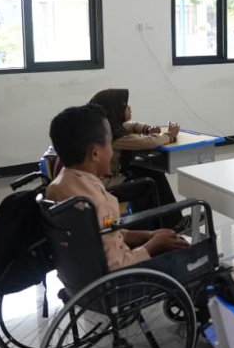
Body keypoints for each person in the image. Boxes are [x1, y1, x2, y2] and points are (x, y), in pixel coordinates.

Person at [46, 104, 188, 275]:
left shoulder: (59, 184)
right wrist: (154, 245)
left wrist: (149, 234)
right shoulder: (98, 203)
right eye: (109, 145)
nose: (112, 151)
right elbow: (118, 265)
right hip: (116, 285)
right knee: (188, 255)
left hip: (77, 277)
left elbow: (106, 232)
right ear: (95, 153)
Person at [88, 88, 183, 230]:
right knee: (151, 180)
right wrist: (170, 135)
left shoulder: (105, 128)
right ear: (115, 111)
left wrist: (146, 128)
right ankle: (170, 224)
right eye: (125, 106)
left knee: (149, 171)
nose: (129, 108)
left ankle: (164, 222)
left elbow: (129, 126)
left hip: (104, 180)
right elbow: (146, 143)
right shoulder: (113, 136)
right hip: (107, 186)